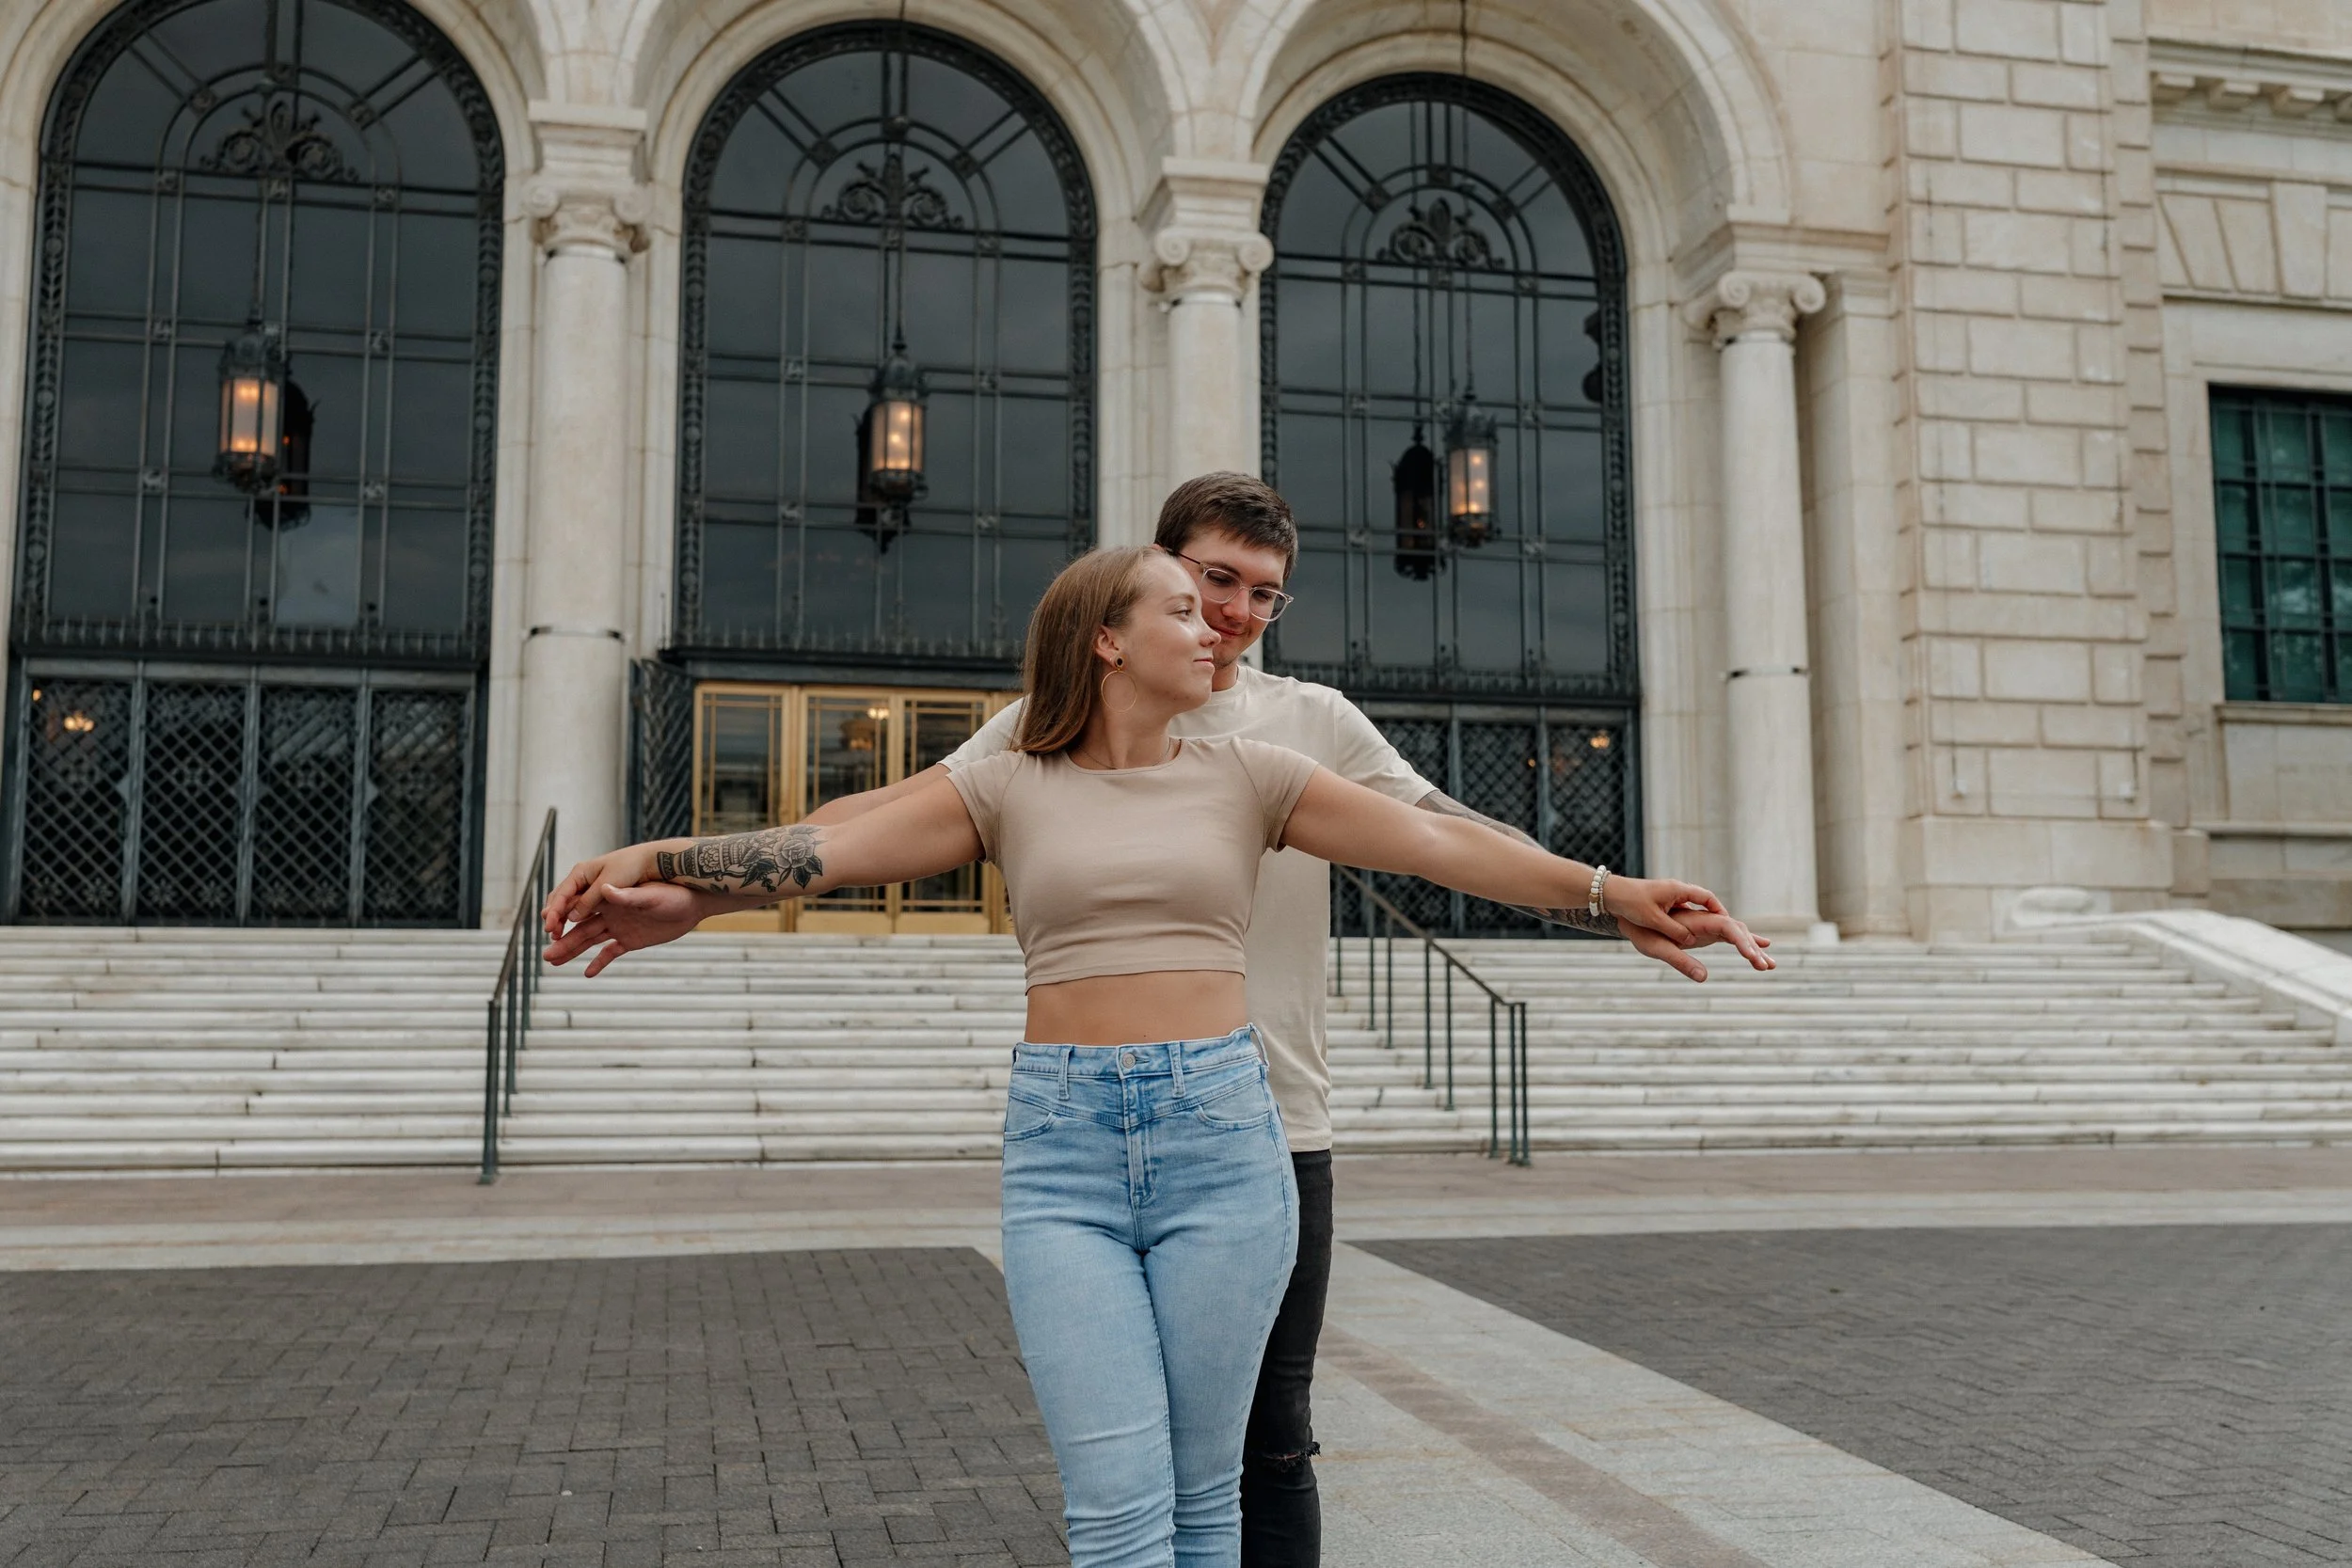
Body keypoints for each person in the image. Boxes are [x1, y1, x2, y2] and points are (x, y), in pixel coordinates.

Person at [542, 473, 1773, 1568]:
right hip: (1068, 1138)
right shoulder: (1022, 756)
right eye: (1200, 592)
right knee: (1123, 1511)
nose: (1228, 619)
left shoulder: (1276, 757)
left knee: (1238, 1479)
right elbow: (850, 832)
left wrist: (1610, 894)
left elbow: (1442, 834)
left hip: (1245, 1123)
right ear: (1117, 623)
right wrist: (681, 873)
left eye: (1254, 598)